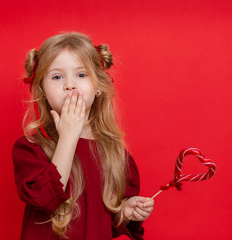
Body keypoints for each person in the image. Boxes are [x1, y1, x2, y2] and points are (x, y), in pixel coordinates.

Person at [12, 32, 154, 240]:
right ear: (42, 89)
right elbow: (45, 200)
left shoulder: (116, 155)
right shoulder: (30, 149)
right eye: (57, 76)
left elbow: (103, 224)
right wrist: (69, 136)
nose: (70, 84)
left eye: (81, 74)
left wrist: (123, 214)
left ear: (97, 87)